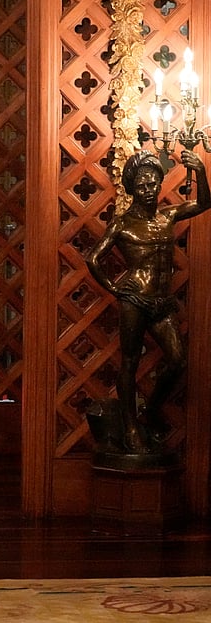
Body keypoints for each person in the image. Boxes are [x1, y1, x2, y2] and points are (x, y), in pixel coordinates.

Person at [85, 148, 210, 455]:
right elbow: (94, 258)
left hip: (163, 302)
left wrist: (202, 172)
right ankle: (129, 428)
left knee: (178, 361)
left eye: (153, 183)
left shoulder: (169, 214)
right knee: (129, 363)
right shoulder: (123, 223)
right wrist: (115, 288)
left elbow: (205, 203)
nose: (148, 189)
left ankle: (150, 413)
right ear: (132, 187)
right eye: (141, 184)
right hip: (134, 299)